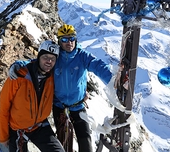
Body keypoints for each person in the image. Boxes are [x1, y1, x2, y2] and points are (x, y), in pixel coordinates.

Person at [9, 24, 113, 152]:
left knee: (85, 141)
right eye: (64, 39)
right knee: (63, 142)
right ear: (59, 41)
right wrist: (19, 64)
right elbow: (36, 63)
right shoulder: (56, 58)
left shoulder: (82, 56)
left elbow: (98, 65)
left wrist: (112, 82)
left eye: (72, 38)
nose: (69, 42)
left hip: (78, 106)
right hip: (60, 107)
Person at [0, 40, 65, 152]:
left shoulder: (53, 77)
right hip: (18, 129)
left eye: (53, 59)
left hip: (40, 126)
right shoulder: (18, 76)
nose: (49, 61)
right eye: (45, 57)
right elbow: (4, 107)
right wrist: (3, 136)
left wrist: (83, 94)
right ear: (39, 56)